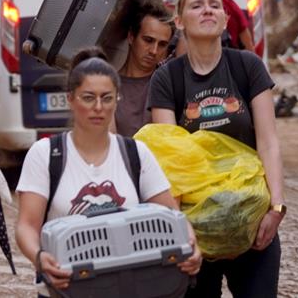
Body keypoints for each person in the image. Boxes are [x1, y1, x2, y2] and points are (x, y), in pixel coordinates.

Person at [15, 48, 202, 296]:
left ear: (117, 100)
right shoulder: (45, 155)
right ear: (70, 99)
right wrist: (40, 258)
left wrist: (192, 246)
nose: (98, 107)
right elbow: (27, 225)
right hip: (67, 288)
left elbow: (171, 213)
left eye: (107, 98)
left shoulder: (136, 154)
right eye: (88, 97)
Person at [147, 0, 284, 298]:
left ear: (225, 19)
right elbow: (171, 163)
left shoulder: (247, 66)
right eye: (196, 5)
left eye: (214, 4)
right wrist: (181, 236)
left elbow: (269, 141)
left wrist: (276, 208)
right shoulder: (167, 78)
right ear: (179, 22)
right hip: (197, 232)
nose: (207, 9)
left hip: (253, 223)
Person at [114, 6, 174, 137]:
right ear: (131, 37)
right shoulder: (108, 85)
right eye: (148, 40)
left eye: (162, 44)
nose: (154, 50)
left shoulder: (169, 80)